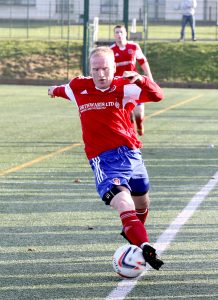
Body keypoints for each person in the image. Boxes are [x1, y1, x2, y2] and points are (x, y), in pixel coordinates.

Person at [48, 46, 164, 270]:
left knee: (142, 203)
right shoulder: (79, 86)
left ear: (114, 68)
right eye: (95, 69)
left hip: (132, 154)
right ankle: (145, 245)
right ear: (89, 69)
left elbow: (158, 95)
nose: (100, 74)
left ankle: (133, 234)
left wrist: (141, 79)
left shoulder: (125, 86)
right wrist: (53, 89)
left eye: (105, 69)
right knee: (123, 201)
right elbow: (63, 89)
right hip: (104, 160)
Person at [110, 24, 154, 136]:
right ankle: (132, 134)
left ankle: (139, 123)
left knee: (138, 113)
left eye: (121, 32)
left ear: (126, 34)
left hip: (134, 84)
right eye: (117, 32)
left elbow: (143, 61)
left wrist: (149, 77)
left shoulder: (134, 47)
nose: (119, 34)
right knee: (127, 115)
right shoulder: (110, 50)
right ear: (114, 35)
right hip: (120, 86)